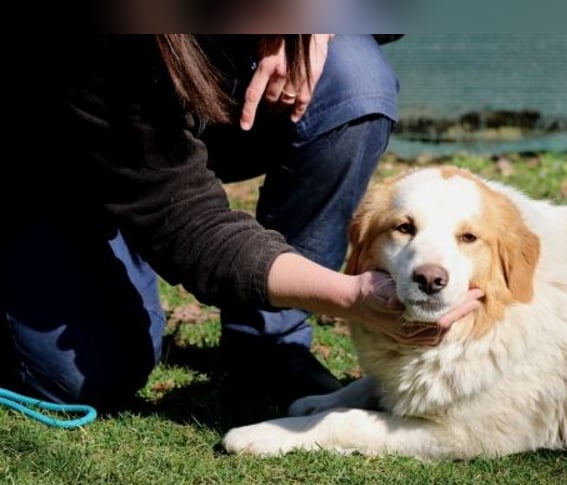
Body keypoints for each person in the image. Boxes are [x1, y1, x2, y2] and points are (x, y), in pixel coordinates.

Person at [0, 34, 482, 413]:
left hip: (173, 121)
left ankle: (270, 345)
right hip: (61, 149)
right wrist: (348, 296)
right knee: (85, 376)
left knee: (356, 81)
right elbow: (190, 224)